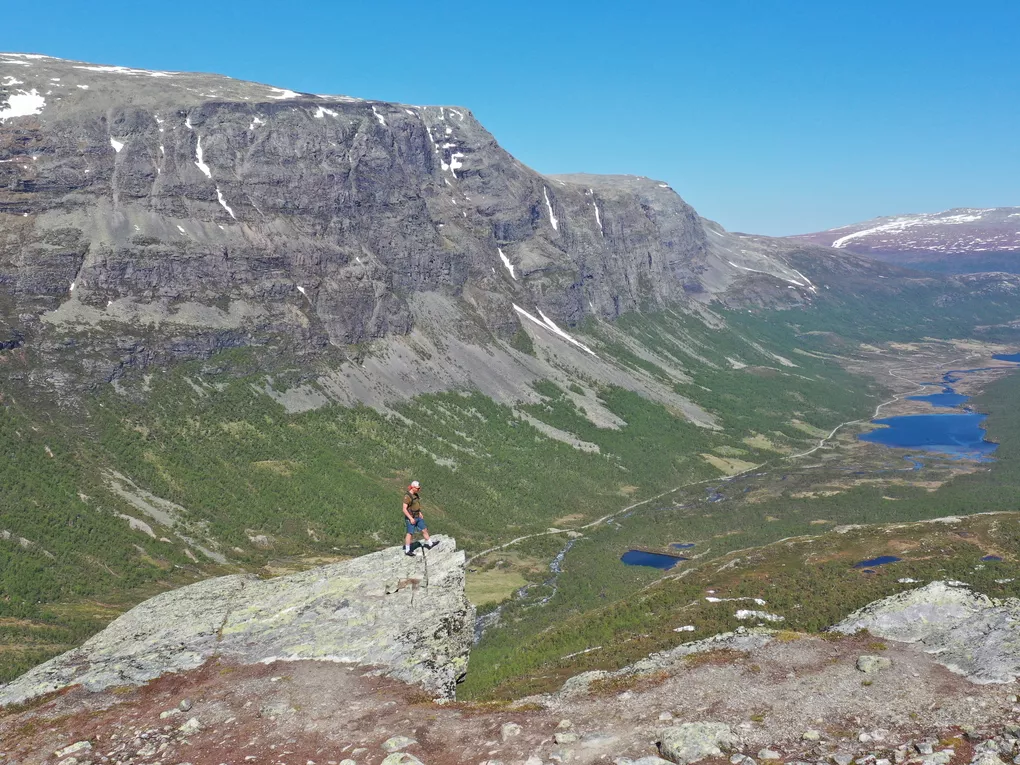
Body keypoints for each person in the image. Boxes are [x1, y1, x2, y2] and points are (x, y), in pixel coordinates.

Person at [403, 480, 438, 556]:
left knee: (424, 529)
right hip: (411, 518)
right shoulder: (407, 496)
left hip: (417, 516)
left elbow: (416, 505)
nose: (419, 490)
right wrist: (410, 518)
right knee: (410, 533)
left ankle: (430, 544)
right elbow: (404, 509)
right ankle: (407, 550)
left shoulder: (416, 495)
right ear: (413, 487)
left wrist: (420, 512)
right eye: (418, 488)